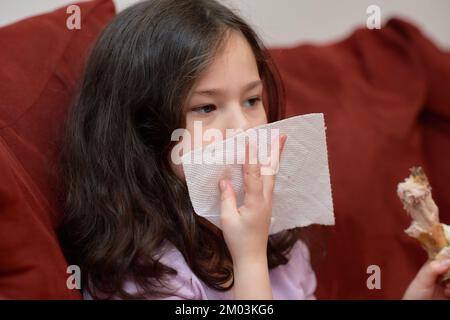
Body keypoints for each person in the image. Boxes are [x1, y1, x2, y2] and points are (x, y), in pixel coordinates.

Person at [58, 0, 450, 300]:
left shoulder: (279, 241)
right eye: (206, 108)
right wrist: (248, 260)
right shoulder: (146, 277)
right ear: (143, 132)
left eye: (251, 100)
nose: (244, 128)